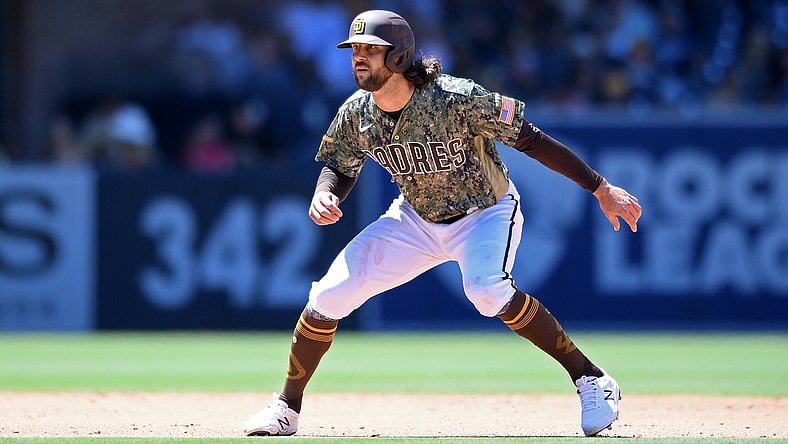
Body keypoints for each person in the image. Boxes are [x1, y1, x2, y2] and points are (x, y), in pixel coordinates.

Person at [242, 10, 642, 438]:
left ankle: (591, 378)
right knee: (327, 295)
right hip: (415, 218)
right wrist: (327, 192)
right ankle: (286, 408)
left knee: (487, 290)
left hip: (485, 212)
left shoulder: (455, 98)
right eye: (354, 49)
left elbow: (530, 138)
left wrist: (599, 187)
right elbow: (340, 164)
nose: (358, 58)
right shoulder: (358, 110)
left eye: (369, 50)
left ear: (397, 57)